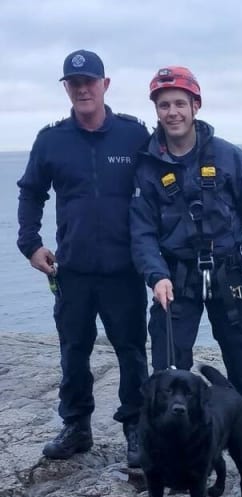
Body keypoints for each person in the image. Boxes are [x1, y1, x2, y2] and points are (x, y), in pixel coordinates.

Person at [130, 66, 242, 481]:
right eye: (164, 105)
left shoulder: (228, 156)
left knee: (241, 361)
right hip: (175, 277)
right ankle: (162, 444)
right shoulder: (147, 165)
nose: (173, 112)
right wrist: (155, 275)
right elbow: (140, 231)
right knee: (167, 367)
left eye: (180, 103)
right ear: (156, 111)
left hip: (229, 271)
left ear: (196, 105)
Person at [17, 49, 150, 467]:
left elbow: (162, 187)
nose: (82, 89)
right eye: (73, 83)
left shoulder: (133, 135)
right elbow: (31, 192)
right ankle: (76, 426)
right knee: (74, 349)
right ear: (67, 89)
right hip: (71, 269)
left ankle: (136, 429)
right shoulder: (51, 140)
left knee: (131, 352)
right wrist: (31, 243)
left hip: (124, 270)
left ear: (105, 85)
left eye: (89, 81)